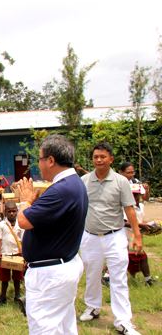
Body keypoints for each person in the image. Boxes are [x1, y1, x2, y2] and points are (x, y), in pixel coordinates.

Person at [16, 134, 87, 335]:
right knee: (64, 326)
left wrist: (25, 201)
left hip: (50, 274)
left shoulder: (61, 190)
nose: (38, 165)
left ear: (50, 160)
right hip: (61, 266)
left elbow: (24, 221)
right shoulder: (74, 183)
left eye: (39, 159)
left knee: (44, 328)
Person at [79, 142, 143, 335]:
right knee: (91, 274)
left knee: (118, 278)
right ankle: (92, 307)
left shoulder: (121, 181)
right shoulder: (84, 181)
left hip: (114, 237)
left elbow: (129, 209)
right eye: (96, 157)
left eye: (103, 157)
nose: (99, 160)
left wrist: (137, 236)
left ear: (111, 159)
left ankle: (123, 321)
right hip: (89, 236)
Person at [0, 201, 24, 311]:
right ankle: (3, 296)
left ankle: (17, 295)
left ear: (17, 211)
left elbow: (23, 240)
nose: (12, 213)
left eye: (14, 211)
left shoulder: (21, 224)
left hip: (17, 253)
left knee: (17, 277)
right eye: (9, 211)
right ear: (5, 212)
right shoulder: (1, 225)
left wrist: (24, 254)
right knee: (4, 278)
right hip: (5, 254)